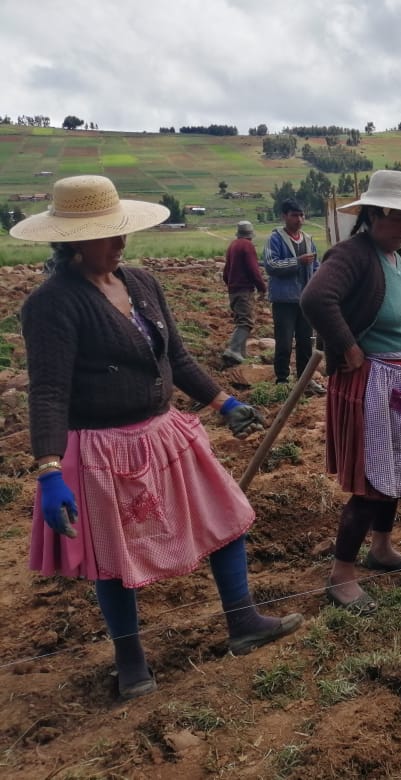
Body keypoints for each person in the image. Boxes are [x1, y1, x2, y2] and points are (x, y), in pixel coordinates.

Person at [12, 175, 303, 701]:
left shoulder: (141, 282)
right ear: (71, 240)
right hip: (102, 448)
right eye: (107, 234)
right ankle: (130, 662)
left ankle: (243, 621)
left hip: (164, 431)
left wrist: (224, 402)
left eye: (120, 231)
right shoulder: (52, 304)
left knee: (225, 516)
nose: (120, 242)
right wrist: (49, 469)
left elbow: (178, 359)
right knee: (114, 557)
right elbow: (49, 392)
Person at [300, 170, 401, 613]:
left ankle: (383, 548)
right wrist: (348, 346)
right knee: (373, 480)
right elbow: (316, 299)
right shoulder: (353, 254)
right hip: (373, 382)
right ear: (375, 214)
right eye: (399, 218)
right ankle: (341, 574)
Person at [263, 198, 325, 394]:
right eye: (294, 215)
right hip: (284, 300)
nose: (299, 219)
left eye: (301, 215)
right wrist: (297, 262)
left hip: (305, 300)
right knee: (284, 341)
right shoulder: (275, 239)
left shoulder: (307, 239)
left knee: (306, 342)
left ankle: (305, 381)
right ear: (284, 216)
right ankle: (282, 380)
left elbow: (316, 267)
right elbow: (271, 265)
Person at [221, 220, 267, 365]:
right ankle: (233, 349)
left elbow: (226, 272)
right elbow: (253, 269)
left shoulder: (232, 245)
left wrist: (231, 285)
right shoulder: (247, 246)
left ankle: (241, 355)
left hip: (233, 290)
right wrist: (261, 287)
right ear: (251, 234)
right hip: (243, 290)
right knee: (246, 322)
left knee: (240, 321)